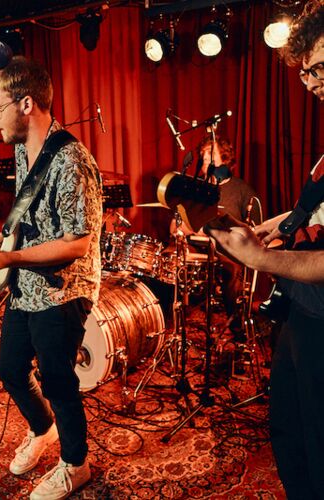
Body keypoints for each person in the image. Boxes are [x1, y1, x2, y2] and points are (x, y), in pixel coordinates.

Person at [0, 57, 102, 500]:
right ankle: (43, 428)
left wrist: (10, 256)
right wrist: (4, 236)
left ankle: (76, 465)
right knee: (10, 369)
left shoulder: (71, 160)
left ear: (26, 104)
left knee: (57, 379)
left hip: (65, 288)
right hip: (27, 284)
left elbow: (76, 243)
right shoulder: (22, 148)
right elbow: (32, 213)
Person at [208, 2, 324, 497]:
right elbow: (310, 212)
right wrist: (265, 227)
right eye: (305, 72)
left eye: (318, 68)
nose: (310, 83)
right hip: (302, 309)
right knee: (288, 431)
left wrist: (259, 258)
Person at [171, 135, 260, 336]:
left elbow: (255, 228)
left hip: (227, 248)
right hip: (197, 246)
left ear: (225, 160)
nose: (205, 160)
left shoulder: (242, 190)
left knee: (232, 268)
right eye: (203, 157)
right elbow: (175, 226)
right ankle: (177, 326)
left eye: (210, 156)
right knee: (170, 259)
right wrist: (193, 228)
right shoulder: (194, 188)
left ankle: (236, 326)